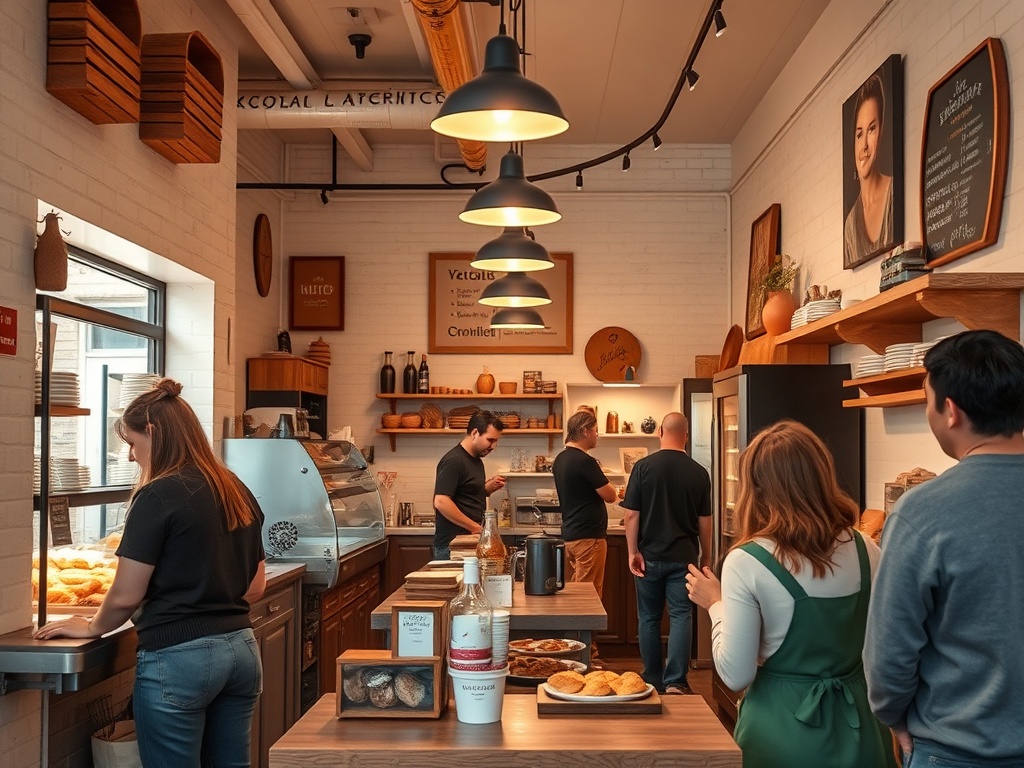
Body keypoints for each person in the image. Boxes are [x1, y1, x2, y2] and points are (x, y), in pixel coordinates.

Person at [33, 379, 266, 768]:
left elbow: (126, 594)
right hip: (241, 652)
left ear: (154, 432)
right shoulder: (234, 487)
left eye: (132, 443)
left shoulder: (158, 493)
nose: (129, 456)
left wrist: (92, 626)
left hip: (180, 660)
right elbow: (255, 586)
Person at [685, 420, 896, 768]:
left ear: (757, 488)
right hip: (859, 727)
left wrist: (716, 603)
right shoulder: (866, 548)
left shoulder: (747, 561)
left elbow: (735, 674)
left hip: (782, 733)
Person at [865, 330, 1024, 767]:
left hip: (958, 748)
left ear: (950, 411)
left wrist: (892, 715)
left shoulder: (924, 511)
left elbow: (890, 652)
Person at [620, 412, 711, 695]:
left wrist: (632, 551)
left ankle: (652, 680)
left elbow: (631, 515)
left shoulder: (643, 467)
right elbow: (704, 520)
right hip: (683, 557)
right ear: (686, 435)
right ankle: (676, 682)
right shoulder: (699, 471)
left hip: (648, 555)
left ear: (660, 432)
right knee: (681, 615)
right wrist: (706, 556)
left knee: (648, 617)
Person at [552, 410, 617, 661]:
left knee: (571, 596)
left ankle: (570, 648)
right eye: (596, 429)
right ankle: (587, 654)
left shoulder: (561, 459)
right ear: (585, 431)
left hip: (570, 536)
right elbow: (610, 495)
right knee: (589, 598)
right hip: (589, 539)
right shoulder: (585, 461)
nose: (598, 434)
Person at [432, 410, 506, 560]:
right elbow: (441, 501)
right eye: (490, 440)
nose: (493, 446)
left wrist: (487, 488)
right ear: (474, 433)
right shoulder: (454, 460)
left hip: (468, 543)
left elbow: (467, 494)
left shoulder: (476, 460)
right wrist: (476, 528)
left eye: (496, 441)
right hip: (451, 547)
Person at [843, 72, 894, 267]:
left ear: (881, 132)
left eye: (871, 129)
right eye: (859, 134)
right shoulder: (850, 226)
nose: (864, 145)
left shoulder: (893, 193)